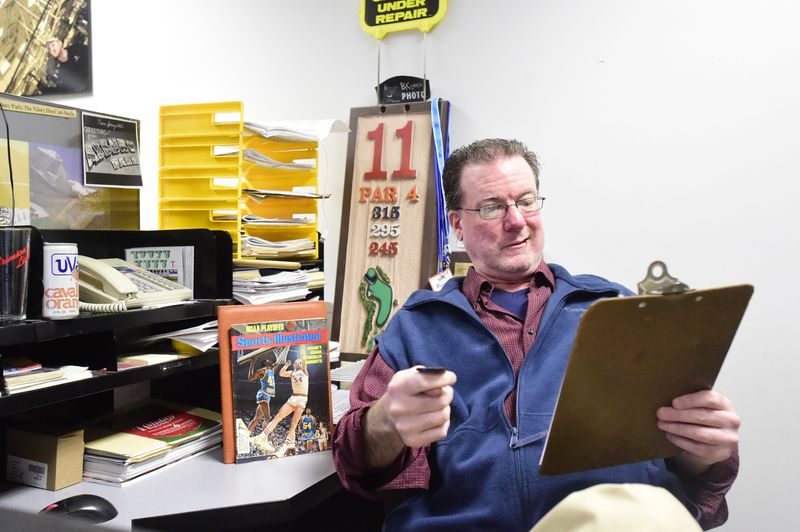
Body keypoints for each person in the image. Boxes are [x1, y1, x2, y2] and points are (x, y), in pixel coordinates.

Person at [332, 138, 740, 531]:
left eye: (526, 201)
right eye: (492, 207)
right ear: (458, 224)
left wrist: (702, 451)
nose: (517, 221)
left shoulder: (615, 308)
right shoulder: (416, 325)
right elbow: (354, 462)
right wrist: (385, 422)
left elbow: (682, 465)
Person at [262, 358, 309, 454]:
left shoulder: (304, 371)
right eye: (295, 362)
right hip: (294, 397)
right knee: (278, 416)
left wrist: (303, 350)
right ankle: (262, 436)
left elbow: (304, 359)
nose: (296, 362)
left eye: (298, 361)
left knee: (293, 425)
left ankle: (283, 448)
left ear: (301, 363)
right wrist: (286, 365)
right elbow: (281, 373)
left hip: (302, 399)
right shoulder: (292, 372)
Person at [247, 356, 279, 454]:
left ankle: (245, 436)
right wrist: (252, 363)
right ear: (265, 363)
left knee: (256, 419)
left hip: (267, 396)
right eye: (268, 360)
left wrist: (282, 357)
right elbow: (250, 378)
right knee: (267, 418)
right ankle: (264, 441)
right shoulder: (262, 371)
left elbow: (277, 363)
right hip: (263, 394)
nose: (270, 360)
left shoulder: (271, 370)